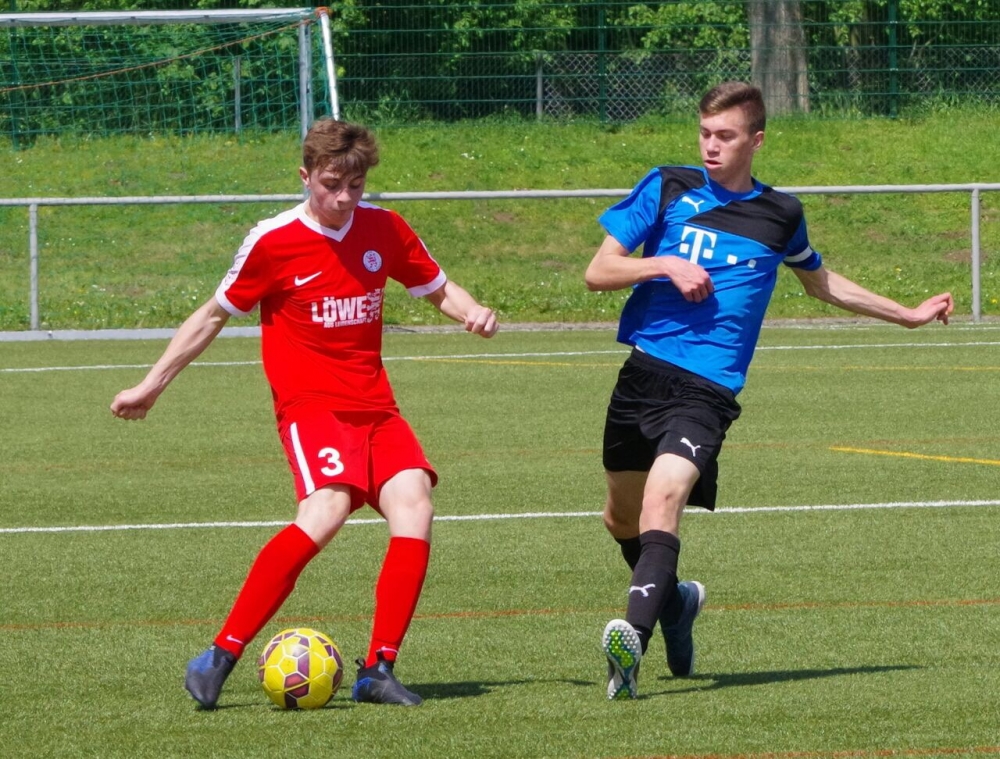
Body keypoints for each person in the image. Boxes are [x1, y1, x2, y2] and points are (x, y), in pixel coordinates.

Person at [110, 118, 499, 708]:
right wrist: (151, 385)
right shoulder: (273, 240)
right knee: (328, 508)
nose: (343, 198)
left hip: (376, 404)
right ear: (306, 175)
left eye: (355, 186)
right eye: (330, 185)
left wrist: (473, 311)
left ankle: (378, 670)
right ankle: (220, 655)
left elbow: (439, 287)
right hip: (311, 405)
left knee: (415, 505)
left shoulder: (385, 228)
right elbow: (212, 316)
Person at [584, 81, 953, 700]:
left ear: (755, 141)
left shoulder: (780, 214)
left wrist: (907, 314)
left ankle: (631, 646)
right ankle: (676, 603)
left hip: (708, 389)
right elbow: (599, 271)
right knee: (619, 517)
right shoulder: (668, 186)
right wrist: (663, 263)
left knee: (663, 497)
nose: (710, 146)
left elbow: (822, 282)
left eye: (725, 136)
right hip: (643, 375)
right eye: (705, 133)